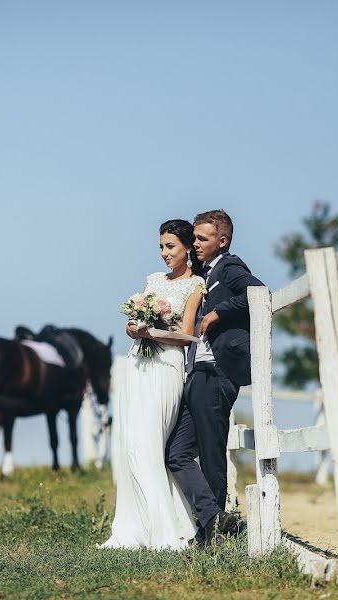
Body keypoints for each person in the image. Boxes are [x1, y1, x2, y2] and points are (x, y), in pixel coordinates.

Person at [100, 219, 206, 550]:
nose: (164, 253)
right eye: (161, 246)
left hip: (166, 366)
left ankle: (169, 530)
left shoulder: (195, 286)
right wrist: (134, 329)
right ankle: (135, 528)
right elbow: (138, 323)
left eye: (170, 246)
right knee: (132, 443)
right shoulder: (153, 280)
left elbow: (188, 334)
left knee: (150, 443)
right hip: (138, 363)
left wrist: (155, 333)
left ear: (187, 247)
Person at [166, 209, 264, 546]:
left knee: (211, 452)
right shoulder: (201, 273)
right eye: (194, 238)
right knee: (177, 452)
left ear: (222, 241)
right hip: (197, 372)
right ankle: (212, 520)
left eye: (202, 239)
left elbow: (257, 292)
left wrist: (218, 313)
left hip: (218, 372)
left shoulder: (230, 267)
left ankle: (212, 537)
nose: (195, 244)